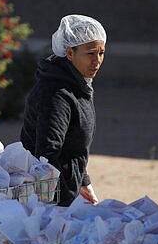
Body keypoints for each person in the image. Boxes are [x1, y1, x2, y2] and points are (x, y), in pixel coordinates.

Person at [20, 14, 107, 206]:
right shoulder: (56, 94)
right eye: (91, 53)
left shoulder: (78, 85)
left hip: (65, 190)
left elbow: (73, 147)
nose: (97, 60)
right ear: (69, 53)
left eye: (101, 53)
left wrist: (83, 181)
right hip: (50, 199)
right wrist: (61, 203)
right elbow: (47, 155)